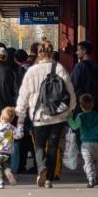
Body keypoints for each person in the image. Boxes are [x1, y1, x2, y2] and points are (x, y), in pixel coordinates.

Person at [16, 40, 77, 188]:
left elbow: (23, 96)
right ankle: (49, 178)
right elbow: (70, 93)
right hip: (58, 115)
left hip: (39, 116)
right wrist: (69, 111)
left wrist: (21, 117)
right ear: (51, 53)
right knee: (53, 146)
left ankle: (41, 167)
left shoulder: (32, 71)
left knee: (38, 146)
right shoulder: (60, 69)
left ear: (39, 54)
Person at [67, 94, 98, 188]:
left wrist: (69, 118)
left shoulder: (80, 116)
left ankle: (91, 179)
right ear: (92, 104)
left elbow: (74, 126)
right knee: (94, 162)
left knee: (87, 162)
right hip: (96, 143)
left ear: (81, 106)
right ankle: (95, 177)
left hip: (85, 144)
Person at [71, 41, 98, 112]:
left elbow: (74, 85)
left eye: (78, 50)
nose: (76, 52)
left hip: (82, 104)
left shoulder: (79, 67)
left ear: (84, 51)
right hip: (97, 104)